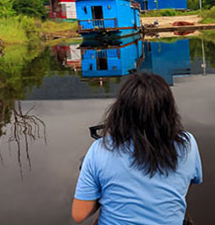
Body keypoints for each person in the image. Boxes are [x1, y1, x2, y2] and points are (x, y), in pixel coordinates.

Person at [72, 73, 203, 224]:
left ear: (121, 111)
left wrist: (106, 195)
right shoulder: (187, 144)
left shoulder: (100, 149)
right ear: (168, 111)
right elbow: (188, 183)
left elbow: (79, 214)